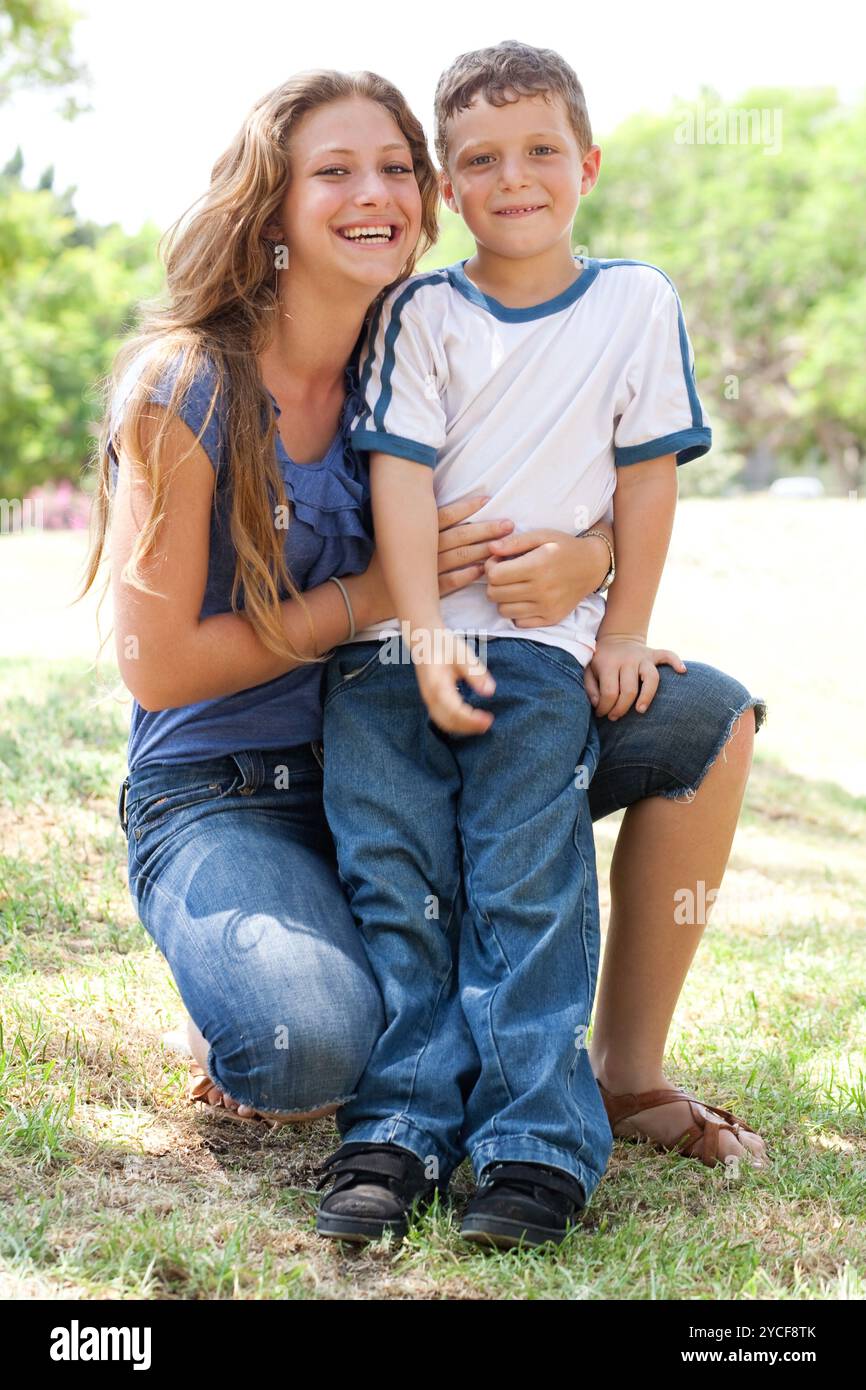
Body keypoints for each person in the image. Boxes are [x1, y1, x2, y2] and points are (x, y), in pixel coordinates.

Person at [79, 65, 766, 1199]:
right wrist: (373, 600)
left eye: (395, 169)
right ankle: (247, 987)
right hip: (228, 784)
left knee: (702, 717)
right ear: (272, 205)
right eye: (334, 171)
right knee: (304, 1043)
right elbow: (161, 668)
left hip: (424, 733)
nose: (375, 194)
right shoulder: (186, 386)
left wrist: (588, 563)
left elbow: (579, 485)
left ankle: (622, 1073)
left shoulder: (424, 338)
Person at [315, 38, 739, 1250]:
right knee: (395, 877)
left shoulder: (632, 304)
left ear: (587, 163)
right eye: (481, 160)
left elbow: (646, 479)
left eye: (540, 151)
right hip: (394, 655)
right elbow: (398, 474)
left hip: (543, 658)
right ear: (447, 187)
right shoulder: (419, 311)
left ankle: (533, 1143)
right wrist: (423, 628)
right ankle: (394, 1127)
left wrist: (625, 628)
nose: (514, 179)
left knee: (524, 880)